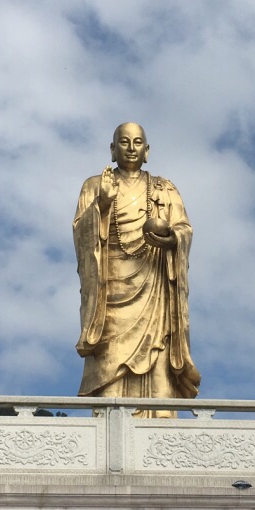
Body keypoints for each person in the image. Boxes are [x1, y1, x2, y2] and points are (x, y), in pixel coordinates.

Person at [74, 123, 200, 405]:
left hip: (155, 285)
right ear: (112, 149)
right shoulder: (95, 185)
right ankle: (110, 424)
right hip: (110, 291)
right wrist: (102, 206)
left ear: (147, 151)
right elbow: (81, 235)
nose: (131, 148)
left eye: (138, 142)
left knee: (159, 360)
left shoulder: (165, 189)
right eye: (124, 142)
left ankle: (161, 427)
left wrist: (171, 239)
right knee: (110, 366)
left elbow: (184, 228)